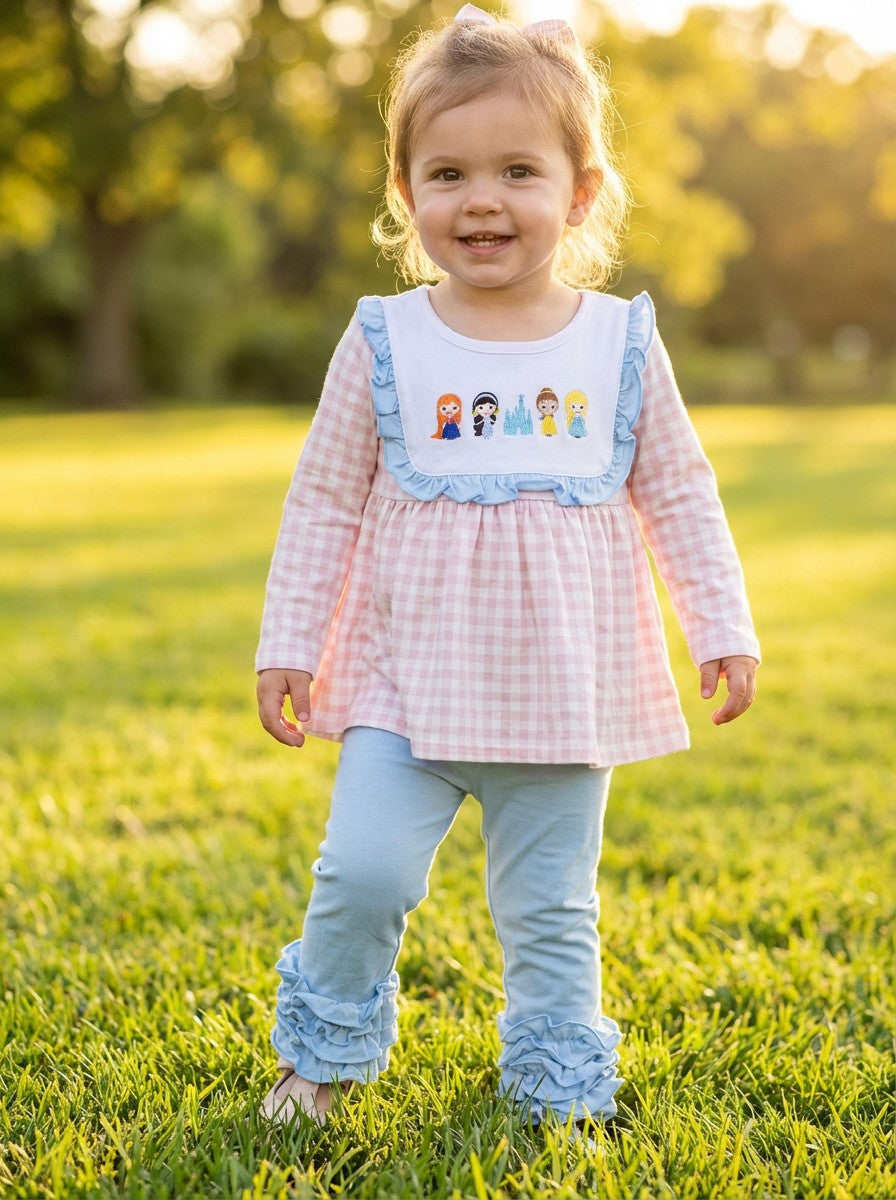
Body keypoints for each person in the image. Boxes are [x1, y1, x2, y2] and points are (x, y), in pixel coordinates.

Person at [255, 3, 759, 1131]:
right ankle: (324, 1057)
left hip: (559, 689)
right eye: (447, 172)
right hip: (401, 684)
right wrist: (289, 645)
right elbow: (324, 500)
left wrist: (720, 626)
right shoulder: (383, 339)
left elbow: (677, 491)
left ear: (579, 192)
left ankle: (554, 1089)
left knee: (547, 910)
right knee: (362, 875)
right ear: (405, 193)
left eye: (517, 170)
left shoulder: (615, 341)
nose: (481, 199)